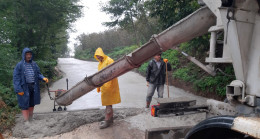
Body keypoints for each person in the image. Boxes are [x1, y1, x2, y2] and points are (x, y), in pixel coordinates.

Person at [13, 48, 48, 122]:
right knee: (24, 104)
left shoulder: (34, 64)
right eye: (27, 54)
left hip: (33, 86)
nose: (29, 56)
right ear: (24, 55)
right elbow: (16, 78)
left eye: (30, 54)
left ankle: (30, 119)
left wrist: (43, 78)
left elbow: (38, 74)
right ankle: (26, 122)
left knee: (32, 103)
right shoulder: (20, 65)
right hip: (24, 87)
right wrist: (18, 89)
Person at [94, 47, 121, 129]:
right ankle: (111, 119)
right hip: (104, 86)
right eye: (97, 56)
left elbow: (114, 73)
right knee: (108, 104)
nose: (98, 57)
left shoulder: (109, 61)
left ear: (102, 54)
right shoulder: (100, 63)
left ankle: (107, 121)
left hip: (110, 86)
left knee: (108, 104)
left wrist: (107, 85)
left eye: (99, 56)